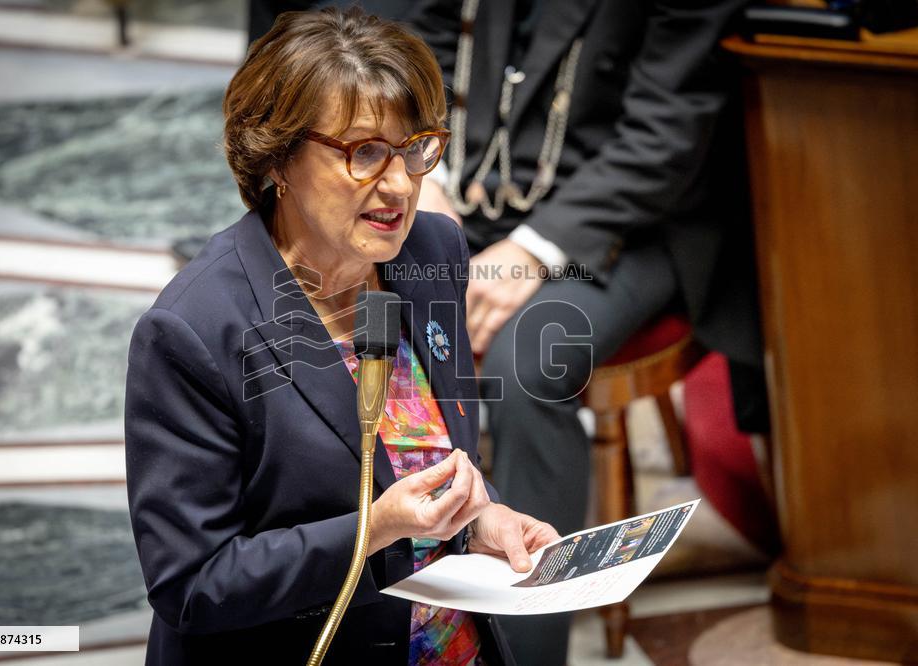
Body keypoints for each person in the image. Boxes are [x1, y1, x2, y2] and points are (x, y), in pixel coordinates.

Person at [124, 8, 559, 665]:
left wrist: (481, 517)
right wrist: (375, 530)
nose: (399, 185)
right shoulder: (193, 330)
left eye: (415, 149)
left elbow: (430, 456)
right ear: (278, 158)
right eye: (364, 153)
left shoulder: (430, 253)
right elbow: (192, 586)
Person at [408, 1, 761, 663]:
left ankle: (526, 650)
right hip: (470, 193)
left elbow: (665, 134)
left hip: (625, 226)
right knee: (350, 313)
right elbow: (413, 43)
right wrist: (419, 172)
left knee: (525, 366)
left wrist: (535, 249)